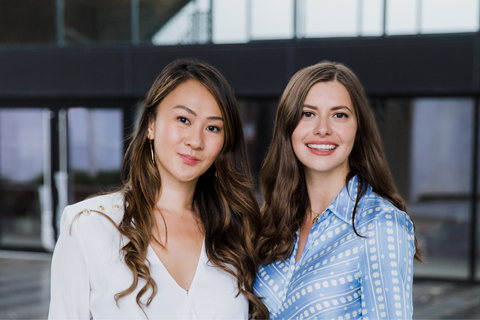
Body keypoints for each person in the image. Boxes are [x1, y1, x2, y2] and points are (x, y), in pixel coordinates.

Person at [49, 58, 269, 319]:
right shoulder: (89, 226)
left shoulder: (237, 232)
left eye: (212, 127)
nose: (195, 141)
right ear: (151, 124)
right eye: (183, 119)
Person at [254, 61, 422, 320]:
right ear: (289, 127)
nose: (323, 128)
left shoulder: (380, 224)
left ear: (358, 128)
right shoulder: (271, 220)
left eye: (339, 115)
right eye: (308, 113)